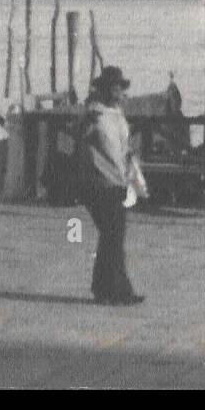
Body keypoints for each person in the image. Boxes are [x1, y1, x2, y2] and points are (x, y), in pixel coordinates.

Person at [77, 66, 144, 305]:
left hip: (118, 180)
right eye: (116, 88)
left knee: (112, 236)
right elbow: (84, 140)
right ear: (106, 90)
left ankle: (109, 289)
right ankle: (113, 290)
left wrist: (135, 178)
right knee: (112, 236)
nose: (120, 92)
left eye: (121, 88)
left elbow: (124, 147)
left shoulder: (117, 113)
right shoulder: (94, 114)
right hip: (99, 181)